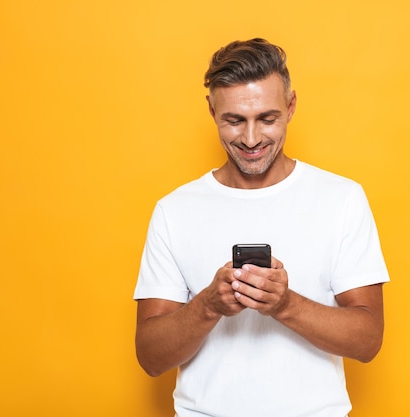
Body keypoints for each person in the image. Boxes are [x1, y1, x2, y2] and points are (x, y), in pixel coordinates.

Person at [134, 38, 390, 417]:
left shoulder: (342, 199)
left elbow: (368, 342)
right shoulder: (174, 211)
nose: (251, 139)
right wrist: (208, 305)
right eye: (234, 120)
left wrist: (285, 305)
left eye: (267, 119)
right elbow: (151, 357)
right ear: (211, 109)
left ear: (290, 107)